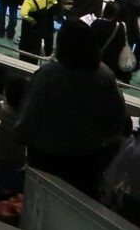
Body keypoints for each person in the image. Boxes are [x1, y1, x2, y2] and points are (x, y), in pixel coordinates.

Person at [16, 19, 130, 193]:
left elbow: (27, 117)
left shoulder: (47, 75)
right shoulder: (105, 76)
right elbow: (117, 120)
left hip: (45, 158)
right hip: (86, 160)